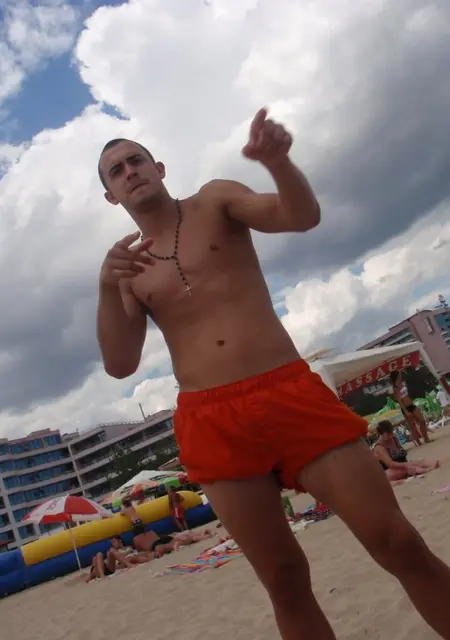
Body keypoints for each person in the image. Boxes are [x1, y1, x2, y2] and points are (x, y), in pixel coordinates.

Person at [96, 108, 450, 639]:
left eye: (135, 160)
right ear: (111, 196)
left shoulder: (215, 200)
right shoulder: (126, 272)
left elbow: (299, 215)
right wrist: (107, 287)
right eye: (117, 171)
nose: (130, 172)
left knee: (395, 540)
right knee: (284, 581)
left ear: (159, 168)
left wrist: (279, 163)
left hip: (285, 388)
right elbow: (120, 365)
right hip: (211, 418)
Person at [373, 421, 439, 483]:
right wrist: (406, 465)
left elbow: (402, 454)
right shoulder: (379, 447)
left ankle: (426, 467)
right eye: (386, 434)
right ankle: (423, 470)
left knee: (420, 461)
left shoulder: (394, 439)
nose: (388, 436)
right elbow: (390, 464)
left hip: (401, 466)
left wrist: (407, 464)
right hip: (388, 472)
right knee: (408, 467)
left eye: (389, 433)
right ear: (381, 434)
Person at [390, 371, 431, 445]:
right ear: (396, 376)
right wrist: (405, 411)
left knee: (422, 420)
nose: (400, 375)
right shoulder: (395, 388)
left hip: (411, 404)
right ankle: (419, 442)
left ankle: (426, 438)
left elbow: (406, 395)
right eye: (399, 375)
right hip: (405, 407)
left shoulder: (402, 383)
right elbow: (399, 401)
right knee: (412, 426)